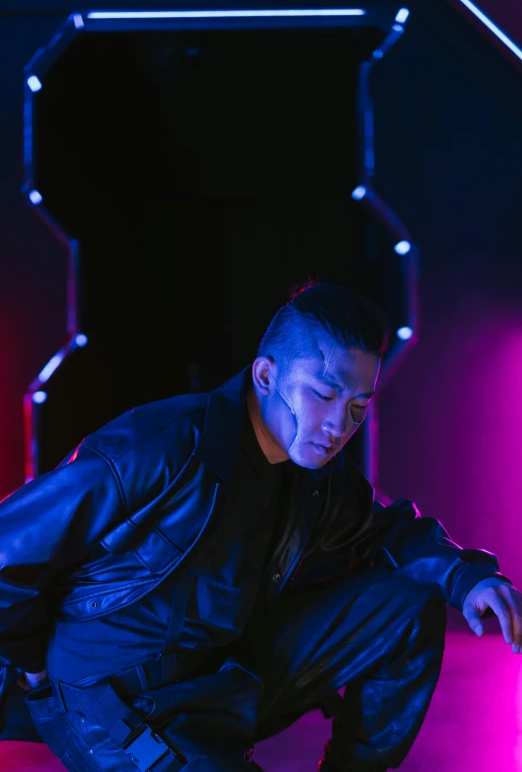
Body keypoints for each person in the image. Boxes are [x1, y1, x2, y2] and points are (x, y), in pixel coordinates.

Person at [0, 280, 520, 772]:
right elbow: (8, 547)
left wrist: (467, 576)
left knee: (407, 605)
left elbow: (386, 529)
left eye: (357, 406)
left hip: (218, 678)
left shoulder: (313, 475)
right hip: (113, 701)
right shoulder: (160, 446)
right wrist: (29, 660)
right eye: (323, 394)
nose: (340, 425)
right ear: (266, 375)